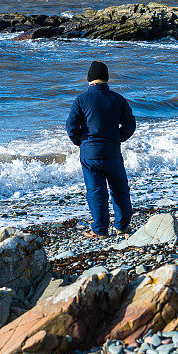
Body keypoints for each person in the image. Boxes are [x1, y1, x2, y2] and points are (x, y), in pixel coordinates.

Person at [66, 61, 136, 238]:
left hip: (90, 154)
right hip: (112, 151)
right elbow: (130, 125)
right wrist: (117, 138)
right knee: (120, 189)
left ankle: (100, 229)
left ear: (89, 79)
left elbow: (71, 127)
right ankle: (121, 225)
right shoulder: (118, 98)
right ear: (106, 78)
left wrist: (80, 142)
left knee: (96, 192)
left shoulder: (81, 100)